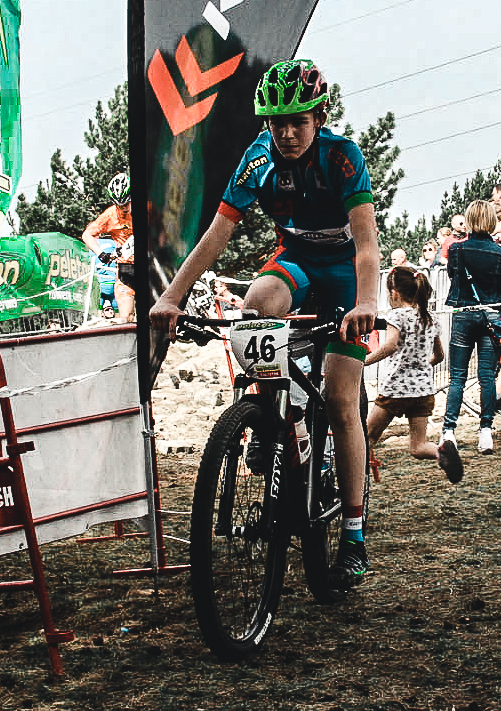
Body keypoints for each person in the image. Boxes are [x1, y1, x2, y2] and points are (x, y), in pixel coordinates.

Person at [149, 59, 380, 592]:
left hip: (346, 270)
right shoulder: (257, 159)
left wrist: (366, 302)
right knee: (256, 302)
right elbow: (216, 235)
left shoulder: (342, 156)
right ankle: (274, 415)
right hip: (296, 259)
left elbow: (367, 245)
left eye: (298, 121)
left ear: (319, 117)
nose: (287, 133)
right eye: (277, 123)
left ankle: (353, 535)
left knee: (340, 399)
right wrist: (172, 297)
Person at [364, 267, 457, 481]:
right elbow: (439, 356)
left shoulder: (396, 315)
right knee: (418, 446)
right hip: (424, 390)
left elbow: (390, 346)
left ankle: (359, 483)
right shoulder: (429, 317)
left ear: (394, 293)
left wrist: (364, 362)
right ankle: (442, 453)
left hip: (396, 388)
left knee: (366, 438)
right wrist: (420, 367)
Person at [442, 200, 501, 455]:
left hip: (464, 313)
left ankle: (449, 431)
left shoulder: (457, 249)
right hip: (491, 316)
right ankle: (486, 431)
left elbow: (453, 276)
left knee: (457, 377)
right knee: (487, 377)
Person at [83, 172, 136, 323]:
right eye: (119, 205)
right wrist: (102, 255)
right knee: (127, 318)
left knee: (156, 315)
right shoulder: (111, 214)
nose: (123, 208)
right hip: (127, 268)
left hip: (151, 267)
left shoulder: (148, 207)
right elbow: (87, 235)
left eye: (126, 203)